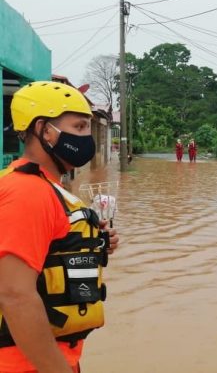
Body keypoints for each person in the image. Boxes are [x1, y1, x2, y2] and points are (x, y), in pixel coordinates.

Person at [0, 81, 119, 373]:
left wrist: (93, 244)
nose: (87, 138)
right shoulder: (28, 192)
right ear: (45, 130)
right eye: (79, 127)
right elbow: (16, 295)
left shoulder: (45, 187)